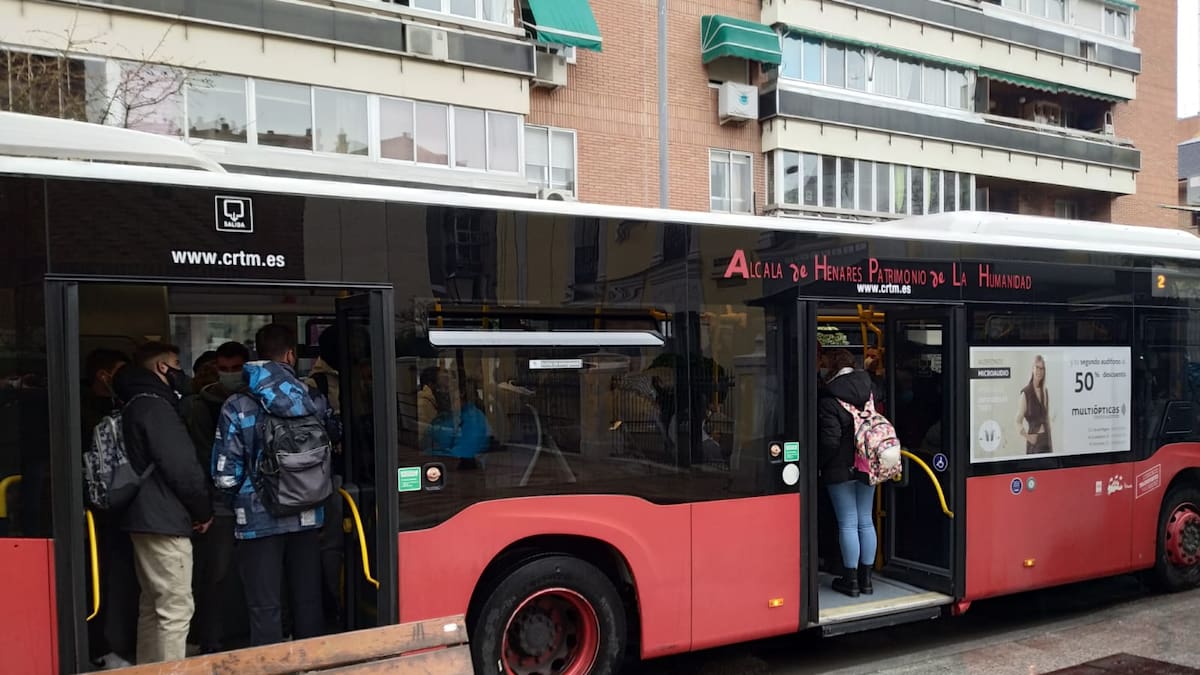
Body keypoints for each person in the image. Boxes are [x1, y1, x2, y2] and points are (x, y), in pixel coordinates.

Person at [212, 324, 338, 646]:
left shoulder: (237, 405)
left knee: (264, 606)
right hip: (308, 513)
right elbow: (331, 448)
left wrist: (238, 502)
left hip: (257, 521)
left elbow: (224, 475)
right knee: (307, 601)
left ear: (256, 354)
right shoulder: (313, 398)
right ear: (291, 356)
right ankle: (313, 665)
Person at [113, 342, 213, 664]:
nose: (180, 371)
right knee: (175, 609)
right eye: (175, 364)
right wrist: (203, 510)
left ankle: (147, 670)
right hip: (164, 518)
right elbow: (183, 468)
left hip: (142, 517)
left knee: (153, 606)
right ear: (161, 368)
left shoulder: (133, 402)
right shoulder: (156, 406)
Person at [181, 341, 249, 654]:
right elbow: (201, 455)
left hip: (249, 500)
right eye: (225, 369)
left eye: (237, 369)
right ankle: (211, 640)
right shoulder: (200, 405)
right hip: (219, 503)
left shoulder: (254, 400)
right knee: (216, 575)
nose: (230, 375)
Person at [81, 349, 138, 670]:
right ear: (104, 376)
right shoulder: (87, 412)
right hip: (95, 512)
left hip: (119, 511)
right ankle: (99, 647)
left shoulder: (122, 407)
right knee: (96, 580)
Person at [817, 348, 879, 598]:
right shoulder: (870, 391)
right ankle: (867, 580)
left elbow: (830, 441)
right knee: (865, 519)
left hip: (840, 469)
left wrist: (821, 464)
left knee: (848, 522)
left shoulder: (829, 398)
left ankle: (850, 580)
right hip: (868, 464)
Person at [1017, 354, 1052, 455]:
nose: (1039, 371)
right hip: (1035, 444)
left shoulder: (1045, 391)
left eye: (1042, 368)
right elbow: (1017, 421)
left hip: (1047, 441)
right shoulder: (1025, 393)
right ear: (1032, 368)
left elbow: (1047, 418)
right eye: (1037, 367)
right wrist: (1028, 437)